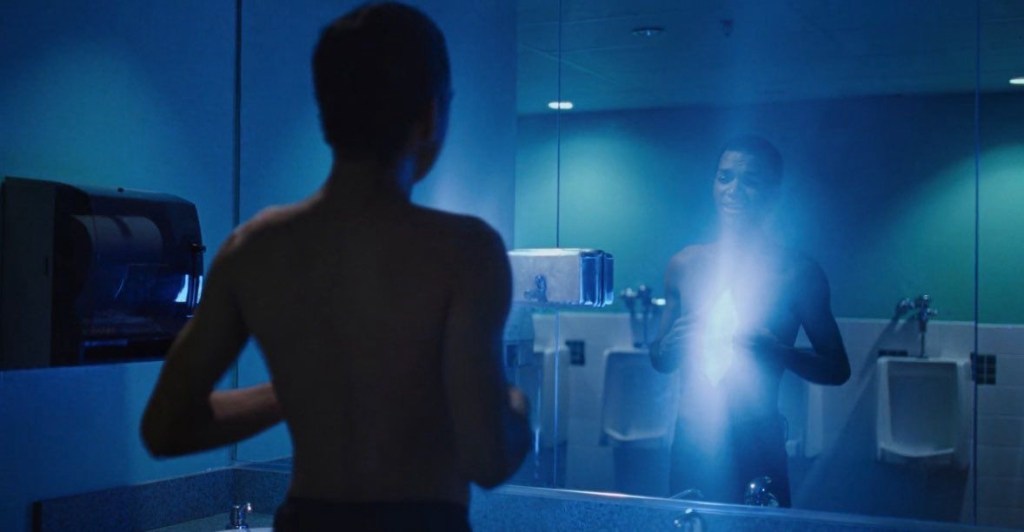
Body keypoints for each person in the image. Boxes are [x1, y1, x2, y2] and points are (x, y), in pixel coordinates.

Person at [140, 3, 531, 530]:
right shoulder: (466, 252)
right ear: (430, 115)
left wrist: (298, 390)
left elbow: (166, 427)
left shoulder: (254, 249)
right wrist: (518, 406)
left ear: (327, 117)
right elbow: (488, 459)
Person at [649, 135, 850, 507]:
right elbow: (660, 360)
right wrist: (670, 344)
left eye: (750, 181)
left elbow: (838, 368)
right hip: (692, 441)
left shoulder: (797, 273)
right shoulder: (685, 265)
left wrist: (778, 351)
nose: (733, 190)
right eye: (725, 177)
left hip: (757, 440)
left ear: (773, 194)